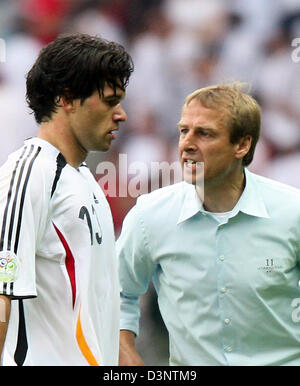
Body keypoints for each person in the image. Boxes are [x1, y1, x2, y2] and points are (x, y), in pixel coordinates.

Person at [117, 82, 300, 366]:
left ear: (242, 145)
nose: (187, 144)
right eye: (183, 130)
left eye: (205, 133)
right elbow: (116, 292)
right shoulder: (150, 215)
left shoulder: (292, 212)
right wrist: (125, 351)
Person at [0, 33, 133, 366]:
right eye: (110, 100)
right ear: (68, 99)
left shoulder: (84, 178)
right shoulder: (30, 172)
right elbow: (2, 295)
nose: (121, 114)